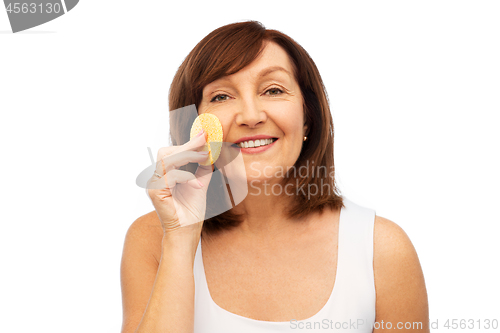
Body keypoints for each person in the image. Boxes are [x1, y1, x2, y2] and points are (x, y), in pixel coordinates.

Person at [120, 21, 429, 333]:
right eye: (222, 96)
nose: (251, 116)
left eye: (273, 90)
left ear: (308, 118)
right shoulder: (154, 239)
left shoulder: (381, 249)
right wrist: (179, 239)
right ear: (193, 124)